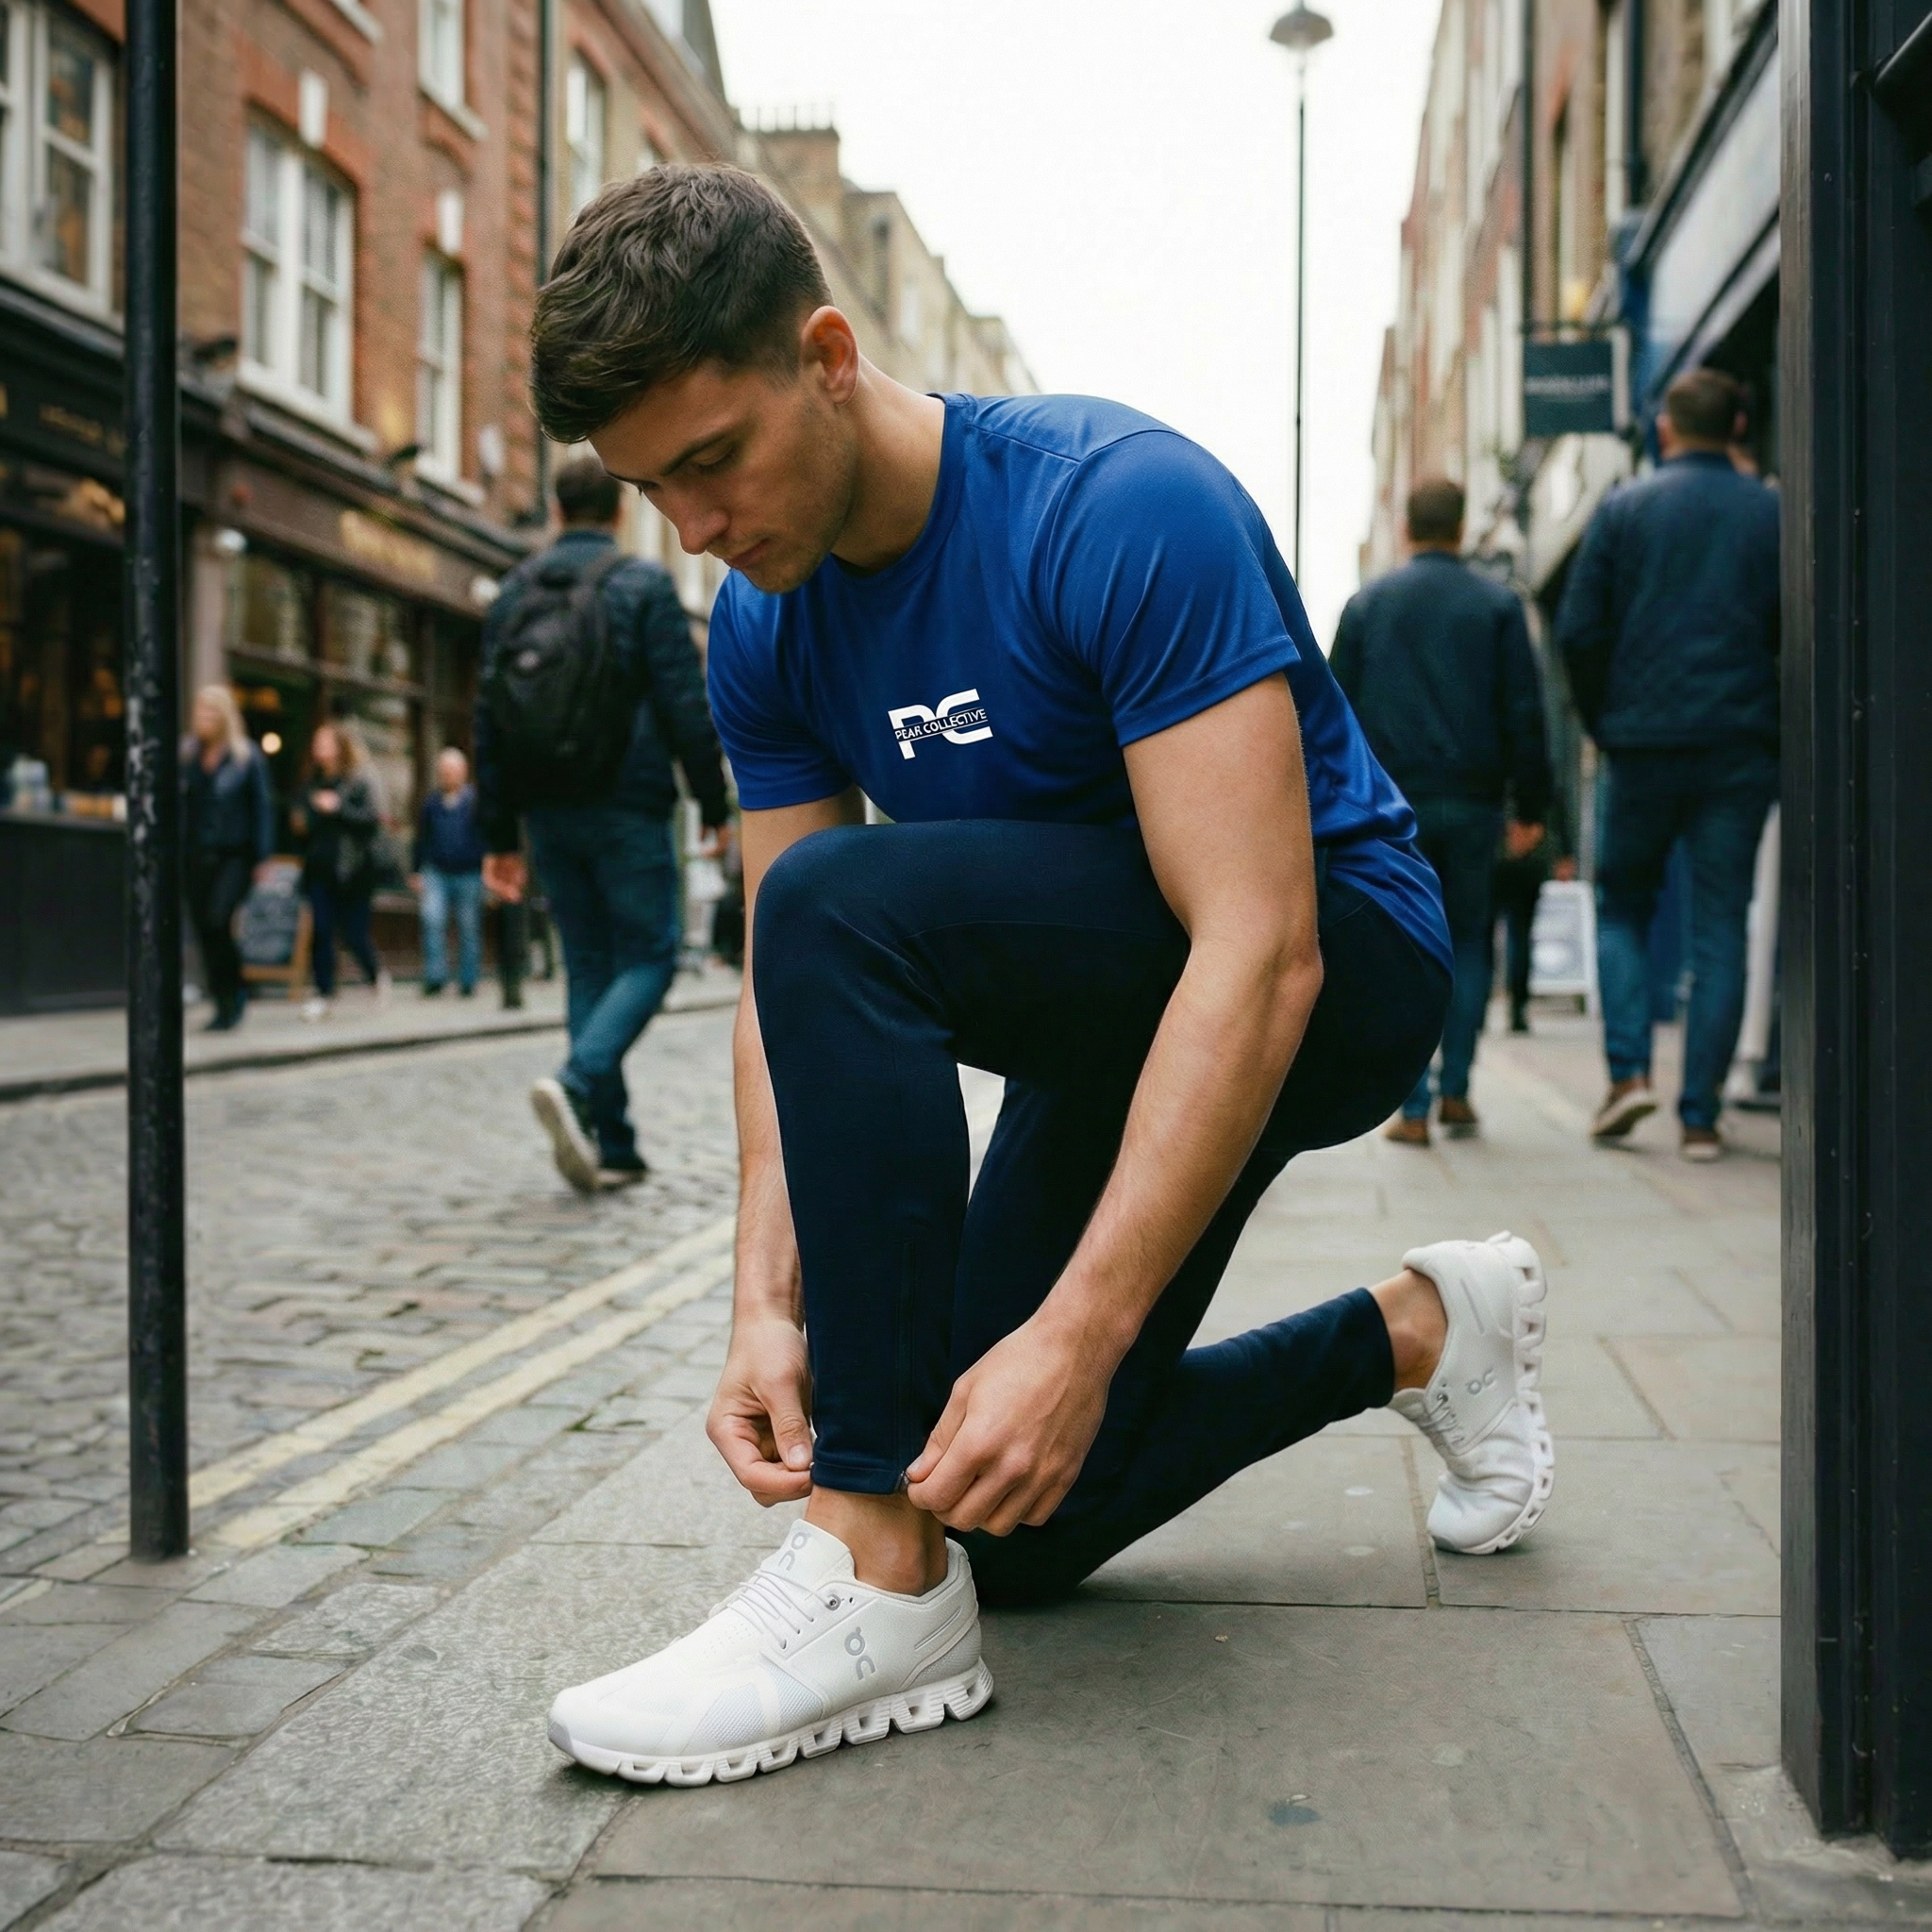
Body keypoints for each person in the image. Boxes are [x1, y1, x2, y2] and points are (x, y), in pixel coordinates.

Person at [529, 165, 1555, 1790]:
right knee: (1002, 1501)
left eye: (713, 460)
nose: (699, 527)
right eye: (657, 492)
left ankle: (865, 1565)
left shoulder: (1115, 502)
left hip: (1336, 965)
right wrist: (760, 1303)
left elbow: (1259, 944)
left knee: (844, 908)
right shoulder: (761, 625)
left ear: (827, 353)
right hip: (1110, 1012)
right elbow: (775, 981)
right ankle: (1422, 1330)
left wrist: (1076, 1332)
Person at [476, 453, 731, 1192]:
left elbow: (487, 719)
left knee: (588, 965)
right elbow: (687, 705)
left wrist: (499, 834)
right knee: (650, 955)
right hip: (629, 803)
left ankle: (613, 1141)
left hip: (548, 811)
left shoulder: (514, 591)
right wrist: (712, 805)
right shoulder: (641, 586)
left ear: (555, 511)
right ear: (620, 512)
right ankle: (582, 1084)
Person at [1555, 367, 1779, 1160]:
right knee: (1720, 923)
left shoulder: (1623, 509)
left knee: (1623, 908)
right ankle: (1702, 1117)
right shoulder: (1773, 512)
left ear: (1665, 429)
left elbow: (1579, 630)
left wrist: (1605, 721)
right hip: (1739, 746)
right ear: (1740, 428)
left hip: (1642, 743)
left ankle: (1628, 1077)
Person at [1331, 479, 1551, 1144]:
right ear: (1460, 528)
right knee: (1469, 940)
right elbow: (1524, 709)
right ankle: (1458, 1087)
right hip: (1475, 802)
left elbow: (1333, 715)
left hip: (1391, 813)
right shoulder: (1498, 606)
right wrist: (1532, 804)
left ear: (1406, 528)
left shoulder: (1367, 606)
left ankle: (1415, 1103)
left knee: (1401, 948)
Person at [181, 685, 274, 1031]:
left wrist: (262, 857)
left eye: (211, 712)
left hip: (234, 855)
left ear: (224, 716)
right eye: (200, 711)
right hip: (195, 855)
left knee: (219, 920)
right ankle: (221, 1000)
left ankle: (235, 994)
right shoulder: (189, 755)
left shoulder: (245, 757)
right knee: (204, 927)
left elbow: (262, 808)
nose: (204, 718)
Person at [296, 721, 388, 1022]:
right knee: (321, 931)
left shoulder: (358, 781)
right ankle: (323, 993)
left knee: (353, 933)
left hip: (353, 871)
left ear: (340, 746)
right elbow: (304, 821)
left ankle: (375, 974)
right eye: (316, 742)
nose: (319, 748)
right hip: (320, 869)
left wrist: (336, 808)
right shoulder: (313, 781)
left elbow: (371, 820)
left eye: (325, 742)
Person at [411, 747, 485, 998]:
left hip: (469, 872)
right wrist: (416, 869)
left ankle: (468, 979)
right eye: (444, 771)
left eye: (453, 770)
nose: (448, 775)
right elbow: (421, 839)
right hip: (437, 871)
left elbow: (485, 836)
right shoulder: (431, 804)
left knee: (468, 926)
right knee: (432, 921)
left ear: (463, 772)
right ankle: (435, 977)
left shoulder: (474, 801)